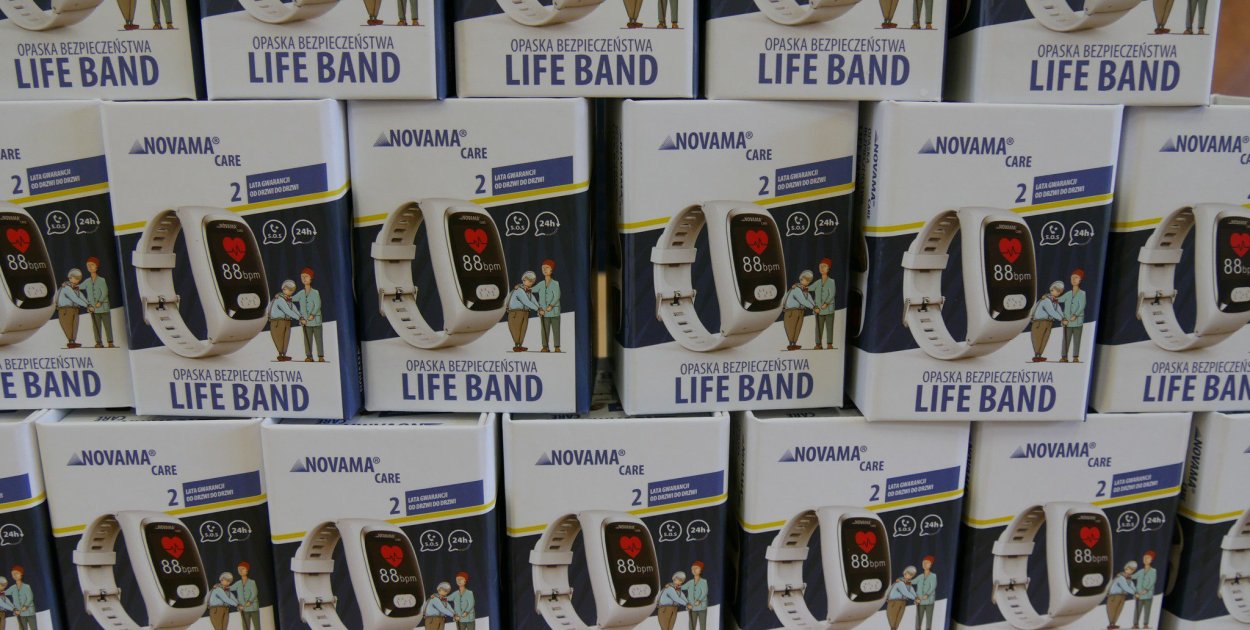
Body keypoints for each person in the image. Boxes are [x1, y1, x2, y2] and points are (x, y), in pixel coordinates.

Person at [81, 256, 115, 348]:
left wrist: (100, 301)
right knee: (96, 326)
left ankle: (110, 342)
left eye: (92, 265)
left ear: (96, 267)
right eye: (88, 265)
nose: (90, 267)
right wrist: (70, 284)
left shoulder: (101, 280)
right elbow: (79, 287)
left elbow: (105, 292)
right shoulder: (87, 281)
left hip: (103, 307)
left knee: (107, 325)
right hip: (94, 309)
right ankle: (98, 342)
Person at [292, 267, 325, 362]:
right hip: (306, 322)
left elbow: (318, 305)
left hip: (316, 320)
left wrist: (313, 314)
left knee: (318, 339)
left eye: (306, 276)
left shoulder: (315, 292)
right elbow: (292, 298)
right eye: (302, 277)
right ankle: (309, 356)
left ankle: (321, 356)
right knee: (307, 339)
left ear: (311, 278)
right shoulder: (301, 293)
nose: (304, 278)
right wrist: (282, 296)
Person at [1030, 281, 1066, 362]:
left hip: (1048, 322)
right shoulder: (1046, 300)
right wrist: (1061, 319)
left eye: (1059, 291)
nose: (1058, 293)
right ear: (1052, 290)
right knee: (1038, 339)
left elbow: (1059, 310)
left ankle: (1039, 355)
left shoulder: (1054, 301)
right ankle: (1037, 355)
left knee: (1044, 339)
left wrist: (1064, 318)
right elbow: (1052, 312)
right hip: (1039, 322)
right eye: (1056, 290)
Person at [269, 280, 302, 362]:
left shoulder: (288, 299)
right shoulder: (279, 299)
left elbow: (294, 308)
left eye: (292, 290)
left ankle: (284, 355)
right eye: (289, 290)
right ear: (284, 289)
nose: (291, 292)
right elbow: (288, 311)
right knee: (279, 338)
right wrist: (299, 318)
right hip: (277, 321)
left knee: (286, 339)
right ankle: (280, 355)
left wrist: (301, 317)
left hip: (287, 321)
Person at [1058, 269, 1086, 363]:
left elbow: (1082, 306)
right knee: (1066, 339)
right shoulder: (1068, 294)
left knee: (1077, 339)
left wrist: (1076, 314)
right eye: (1072, 278)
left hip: (1077, 321)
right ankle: (1064, 356)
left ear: (1080, 280)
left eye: (1076, 277)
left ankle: (1075, 357)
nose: (1073, 279)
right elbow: (1059, 299)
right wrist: (1051, 296)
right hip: (1067, 321)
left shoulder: (1082, 293)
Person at [507, 271, 540, 352]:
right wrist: (537, 309)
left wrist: (540, 308)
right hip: (516, 312)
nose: (531, 283)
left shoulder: (528, 291)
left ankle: (520, 345)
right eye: (529, 280)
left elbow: (533, 300)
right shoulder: (519, 290)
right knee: (516, 329)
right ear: (524, 280)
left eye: (532, 281)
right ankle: (516, 345)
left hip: (525, 312)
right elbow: (526, 302)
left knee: (523, 329)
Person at [783, 270, 816, 351]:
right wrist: (813, 307)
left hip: (800, 310)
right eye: (806, 279)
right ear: (801, 279)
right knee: (791, 327)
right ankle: (791, 344)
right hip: (791, 311)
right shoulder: (796, 289)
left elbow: (809, 298)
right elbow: (803, 301)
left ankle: (794, 343)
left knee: (798, 327)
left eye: (809, 280)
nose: (807, 282)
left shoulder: (804, 289)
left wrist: (815, 306)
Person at [56, 268, 89, 349]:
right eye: (75, 278)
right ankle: (71, 342)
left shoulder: (76, 289)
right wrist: (87, 306)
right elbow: (75, 298)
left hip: (75, 309)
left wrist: (89, 305)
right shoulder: (66, 287)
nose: (77, 280)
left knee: (74, 326)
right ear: (70, 278)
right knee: (68, 326)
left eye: (78, 279)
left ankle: (72, 342)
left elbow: (81, 297)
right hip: (65, 309)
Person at [534, 260, 562, 353]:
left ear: (551, 270)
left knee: (556, 329)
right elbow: (532, 289)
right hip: (544, 312)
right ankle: (545, 347)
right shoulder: (541, 284)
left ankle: (557, 347)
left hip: (554, 311)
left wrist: (551, 305)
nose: (545, 270)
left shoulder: (555, 283)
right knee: (544, 330)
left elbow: (557, 296)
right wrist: (523, 286)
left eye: (547, 268)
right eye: (543, 268)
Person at [811, 258, 836, 350]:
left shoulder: (831, 281)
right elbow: (809, 288)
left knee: (829, 327)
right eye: (820, 266)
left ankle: (829, 344)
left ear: (828, 268)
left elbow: (832, 294)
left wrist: (826, 303)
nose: (822, 268)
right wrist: (801, 286)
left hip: (829, 309)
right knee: (818, 327)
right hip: (819, 310)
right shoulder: (817, 282)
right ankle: (818, 344)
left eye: (824, 266)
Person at [231, 561, 261, 630]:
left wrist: (250, 601)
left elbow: (254, 593)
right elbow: (230, 588)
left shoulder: (252, 582)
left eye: (243, 569)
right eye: (239, 569)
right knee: (245, 627)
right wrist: (222, 586)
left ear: (247, 570)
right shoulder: (238, 583)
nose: (241, 571)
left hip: (253, 607)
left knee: (257, 626)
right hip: (244, 608)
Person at [1108, 561, 1138, 629]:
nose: (1130, 571)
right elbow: (1125, 587)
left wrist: (1136, 592)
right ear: (1125, 568)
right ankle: (1111, 624)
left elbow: (1132, 586)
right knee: (1113, 610)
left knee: (1118, 610)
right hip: (1114, 596)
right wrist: (1134, 593)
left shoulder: (1129, 578)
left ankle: (1113, 624)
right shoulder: (1120, 577)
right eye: (1129, 569)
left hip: (1122, 596)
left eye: (1132, 570)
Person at [1133, 551, 1158, 629]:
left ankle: (1145, 624)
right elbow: (1133, 576)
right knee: (1137, 610)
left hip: (1148, 595)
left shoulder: (1153, 571)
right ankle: (1135, 624)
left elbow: (1152, 581)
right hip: (1139, 595)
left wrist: (1146, 589)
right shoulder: (1140, 571)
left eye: (1148, 558)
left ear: (1151, 560)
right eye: (1144, 558)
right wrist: (1126, 575)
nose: (1145, 559)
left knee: (1147, 610)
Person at [681, 561, 708, 630]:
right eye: (692, 569)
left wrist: (700, 600)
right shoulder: (690, 582)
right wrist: (673, 585)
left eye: (696, 568)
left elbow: (704, 592)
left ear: (701, 570)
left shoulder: (704, 581)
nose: (694, 570)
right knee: (692, 625)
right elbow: (682, 587)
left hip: (702, 607)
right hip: (692, 607)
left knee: (702, 625)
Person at [914, 556, 937, 630]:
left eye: (927, 563)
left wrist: (928, 594)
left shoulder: (933, 576)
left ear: (931, 564)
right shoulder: (920, 576)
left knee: (929, 619)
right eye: (923, 562)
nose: (924, 564)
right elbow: (912, 581)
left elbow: (933, 587)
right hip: (920, 601)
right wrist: (904, 580)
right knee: (918, 619)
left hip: (929, 601)